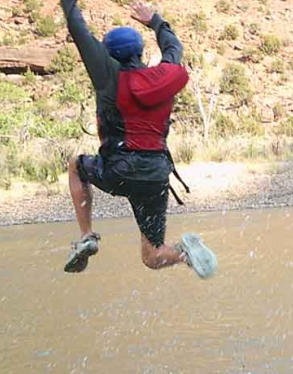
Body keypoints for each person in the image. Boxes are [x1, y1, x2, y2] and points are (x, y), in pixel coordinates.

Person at [59, 0, 216, 278]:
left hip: (119, 170)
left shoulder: (108, 75)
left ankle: (86, 237)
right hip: (156, 175)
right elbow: (173, 49)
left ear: (107, 54)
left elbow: (78, 28)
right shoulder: (164, 76)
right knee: (152, 255)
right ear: (140, 52)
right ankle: (184, 253)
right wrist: (155, 20)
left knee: (76, 165)